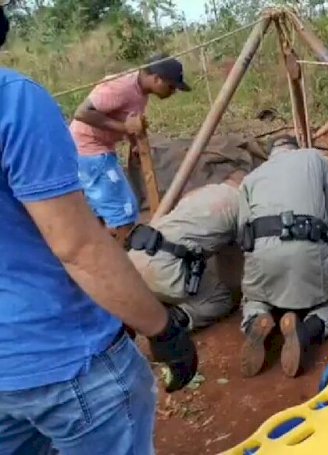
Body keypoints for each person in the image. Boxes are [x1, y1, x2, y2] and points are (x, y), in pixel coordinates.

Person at [0, 5, 196, 454]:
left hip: (8, 367)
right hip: (62, 355)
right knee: (121, 217)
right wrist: (160, 328)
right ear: (157, 78)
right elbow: (77, 246)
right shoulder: (15, 100)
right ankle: (122, 282)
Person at [238, 134, 328, 378]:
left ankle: (257, 318)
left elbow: (243, 232)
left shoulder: (250, 179)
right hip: (307, 247)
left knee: (253, 298)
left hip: (263, 256)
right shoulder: (314, 158)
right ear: (295, 147)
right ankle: (307, 331)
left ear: (271, 153)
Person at [69, 53, 191, 245]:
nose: (172, 92)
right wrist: (124, 128)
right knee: (123, 210)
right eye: (171, 86)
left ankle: (105, 251)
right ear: (156, 78)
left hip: (99, 149)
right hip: (89, 149)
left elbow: (128, 118)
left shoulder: (141, 91)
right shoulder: (121, 87)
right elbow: (82, 113)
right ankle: (126, 262)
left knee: (104, 209)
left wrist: (133, 141)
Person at [128, 170, 248, 331]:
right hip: (166, 269)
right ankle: (175, 321)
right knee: (221, 299)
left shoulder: (201, 192)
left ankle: (148, 304)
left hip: (134, 258)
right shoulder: (242, 202)